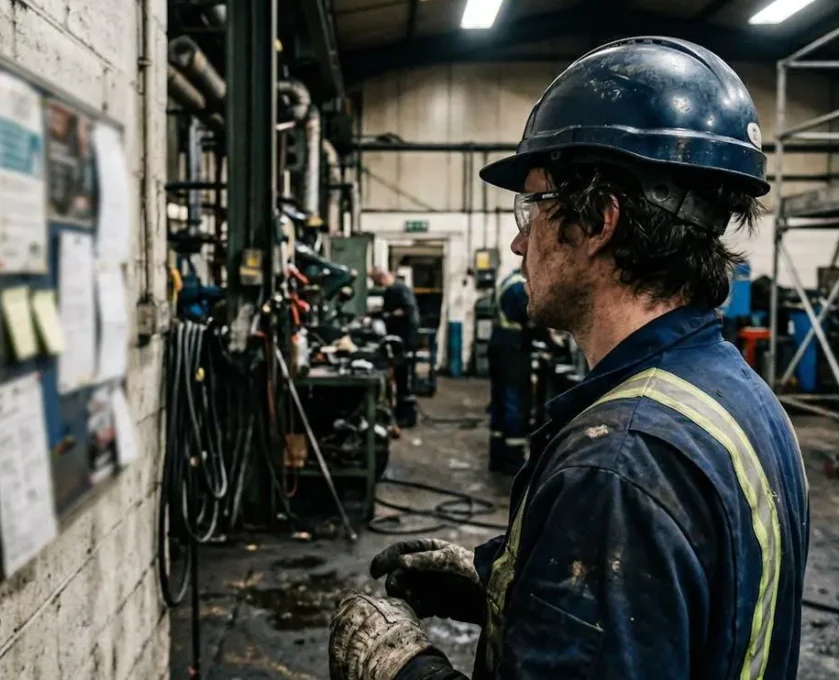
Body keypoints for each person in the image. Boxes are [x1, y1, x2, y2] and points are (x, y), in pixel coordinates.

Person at [329, 36, 810, 680]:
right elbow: (676, 623)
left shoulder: (617, 463)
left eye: (534, 207)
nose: (518, 241)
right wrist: (493, 582)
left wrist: (403, 669)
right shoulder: (739, 399)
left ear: (599, 221)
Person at [488, 269, 533, 474]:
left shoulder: (505, 281)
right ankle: (514, 458)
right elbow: (531, 317)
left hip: (498, 346)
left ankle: (497, 455)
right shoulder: (519, 287)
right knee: (513, 400)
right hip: (513, 350)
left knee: (499, 400)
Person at [372, 267, 421, 427]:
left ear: (383, 277)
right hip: (397, 338)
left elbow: (407, 309)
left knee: (403, 377)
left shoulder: (400, 289)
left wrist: (391, 315)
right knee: (399, 375)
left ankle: (406, 415)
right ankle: (399, 412)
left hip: (405, 339)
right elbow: (387, 309)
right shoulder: (390, 291)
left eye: (378, 282)